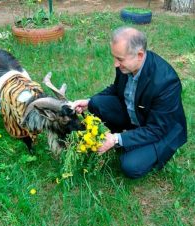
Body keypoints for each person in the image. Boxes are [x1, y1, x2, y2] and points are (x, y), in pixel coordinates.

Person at [73, 26, 187, 179]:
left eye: (119, 59)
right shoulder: (126, 65)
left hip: (161, 130)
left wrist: (116, 139)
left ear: (139, 55)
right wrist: (88, 102)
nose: (115, 64)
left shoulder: (166, 82)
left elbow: (157, 129)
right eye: (114, 57)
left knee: (130, 166)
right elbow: (117, 89)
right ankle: (128, 138)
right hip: (137, 115)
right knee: (96, 103)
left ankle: (130, 143)